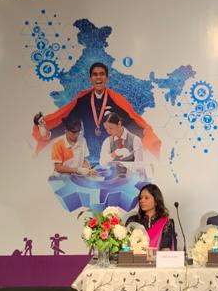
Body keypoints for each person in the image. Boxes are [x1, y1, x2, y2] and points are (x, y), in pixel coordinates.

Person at [32, 62, 161, 166]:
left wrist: (143, 132)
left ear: (107, 78)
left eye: (102, 74)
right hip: (90, 155)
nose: (98, 77)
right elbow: (69, 122)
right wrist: (49, 133)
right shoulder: (83, 100)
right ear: (90, 79)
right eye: (95, 74)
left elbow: (128, 121)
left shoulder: (115, 101)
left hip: (112, 155)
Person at [125, 183, 177, 251]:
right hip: (134, 257)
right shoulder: (132, 220)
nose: (142, 201)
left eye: (146, 198)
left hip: (158, 257)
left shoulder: (166, 223)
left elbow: (166, 249)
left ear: (156, 201)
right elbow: (125, 246)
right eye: (140, 198)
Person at [98, 112, 145, 176]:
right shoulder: (107, 141)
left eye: (111, 128)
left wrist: (124, 165)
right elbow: (102, 163)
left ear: (119, 124)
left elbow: (139, 165)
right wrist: (115, 154)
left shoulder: (135, 140)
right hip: (113, 178)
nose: (108, 132)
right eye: (106, 129)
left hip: (132, 177)